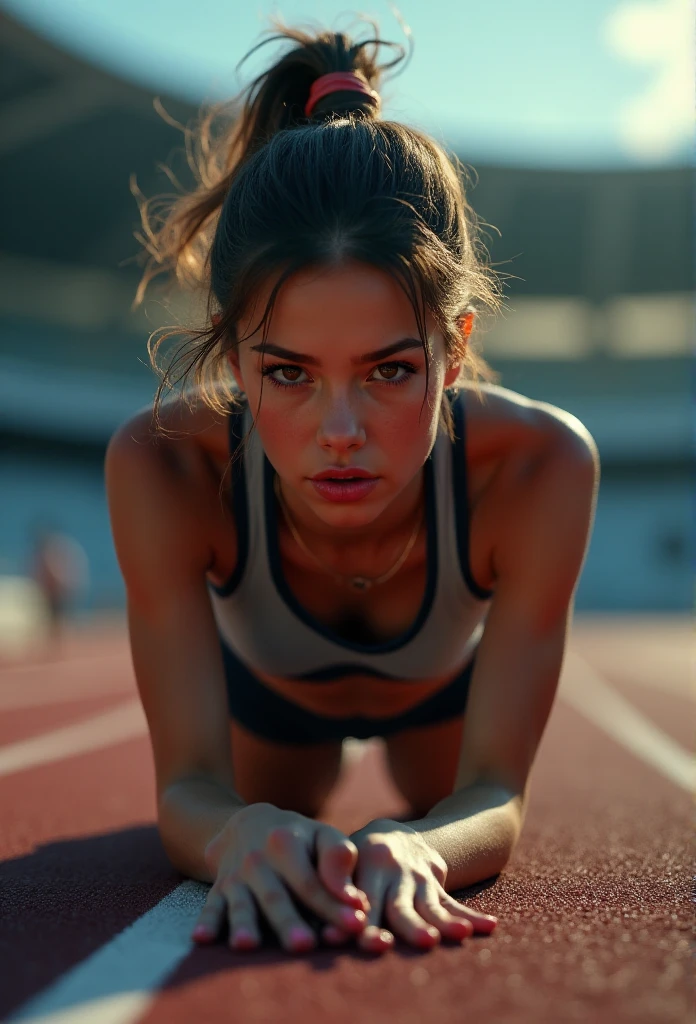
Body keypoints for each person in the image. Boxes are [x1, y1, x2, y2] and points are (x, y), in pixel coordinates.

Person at [105, 19, 599, 956]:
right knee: (274, 811)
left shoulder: (539, 469)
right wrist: (234, 828)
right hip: (271, 713)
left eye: (389, 371)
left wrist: (421, 843)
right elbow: (187, 792)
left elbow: (494, 791)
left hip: (435, 713)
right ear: (234, 354)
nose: (341, 432)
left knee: (431, 795)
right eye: (288, 372)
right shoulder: (165, 465)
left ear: (453, 352)